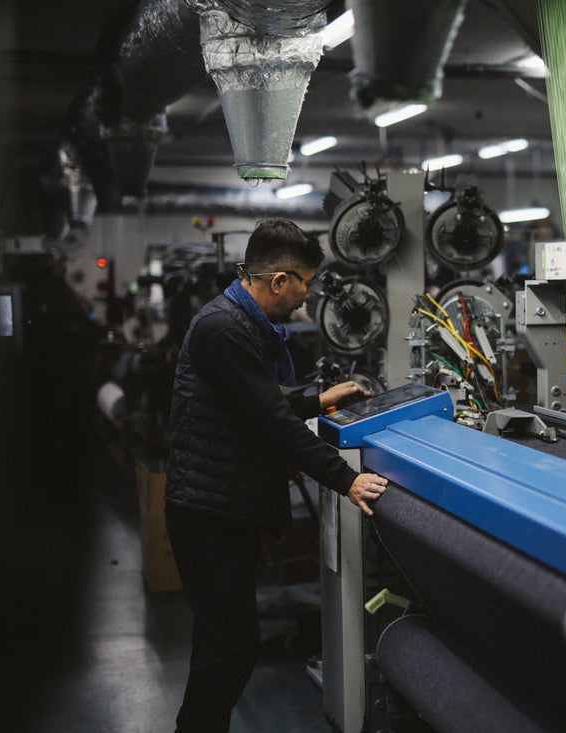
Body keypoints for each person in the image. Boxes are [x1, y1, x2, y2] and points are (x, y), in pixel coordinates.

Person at [164, 218, 388, 733]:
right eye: (305, 282)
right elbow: (270, 423)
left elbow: (252, 402)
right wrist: (346, 480)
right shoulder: (225, 329)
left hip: (217, 508)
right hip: (209, 514)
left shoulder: (237, 323)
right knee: (232, 650)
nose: (308, 294)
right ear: (279, 280)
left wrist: (318, 398)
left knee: (219, 646)